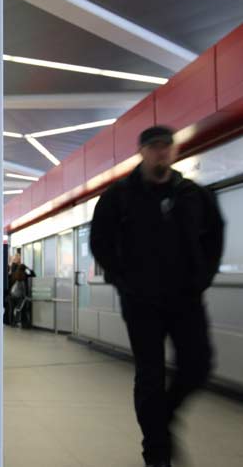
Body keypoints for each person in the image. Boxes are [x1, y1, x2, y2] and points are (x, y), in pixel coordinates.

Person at [90, 125, 224, 467]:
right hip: (141, 302)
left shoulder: (194, 194)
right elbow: (100, 243)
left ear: (174, 151)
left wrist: (203, 277)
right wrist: (123, 281)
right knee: (149, 374)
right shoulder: (118, 196)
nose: (161, 152)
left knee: (198, 365)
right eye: (154, 146)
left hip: (186, 298)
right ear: (143, 152)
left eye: (167, 146)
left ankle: (161, 420)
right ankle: (157, 453)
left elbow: (214, 236)